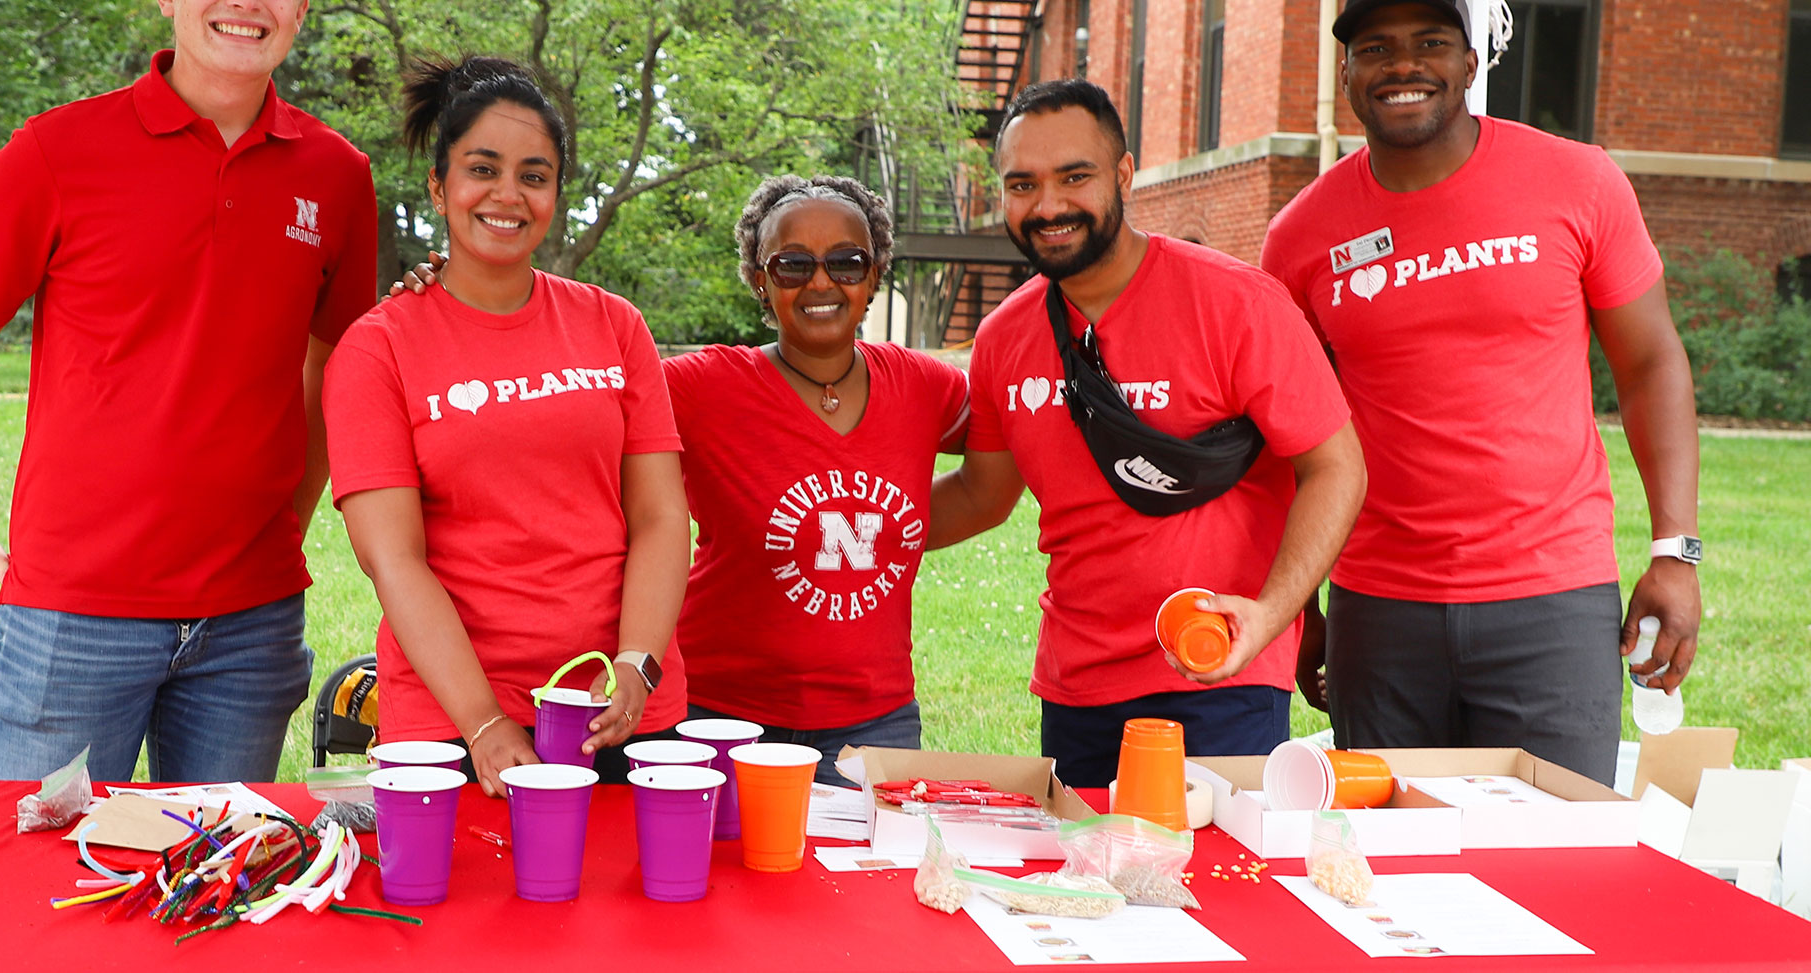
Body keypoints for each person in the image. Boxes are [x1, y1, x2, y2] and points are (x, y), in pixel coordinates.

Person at [0, 0, 377, 783]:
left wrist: (285, 516)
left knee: (210, 891)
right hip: (72, 612)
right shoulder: (54, 151)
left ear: (301, 6)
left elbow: (339, 364)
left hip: (250, 622)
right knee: (42, 891)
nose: (246, 1)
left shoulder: (337, 176)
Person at [1260, 0, 1701, 785]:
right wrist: (1302, 604)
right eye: (1375, 48)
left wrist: (1676, 551)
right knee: (1388, 863)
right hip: (1379, 607)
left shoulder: (1577, 181)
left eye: (1430, 41)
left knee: (1555, 860)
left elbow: (1650, 363)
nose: (1402, 65)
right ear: (1347, 75)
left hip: (1552, 598)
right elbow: (1291, 435)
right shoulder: (1300, 238)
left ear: (1471, 62)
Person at [930, 79, 1366, 788]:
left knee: (1216, 885)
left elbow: (1336, 467)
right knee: (1090, 880)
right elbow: (983, 493)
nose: (1047, 206)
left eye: (1075, 177)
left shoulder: (1237, 303)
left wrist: (1268, 615)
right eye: (1022, 184)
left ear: (1124, 175)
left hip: (1220, 667)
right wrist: (865, 527)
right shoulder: (1004, 336)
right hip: (1077, 685)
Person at [322, 54, 690, 798]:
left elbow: (659, 516)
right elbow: (394, 561)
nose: (507, 194)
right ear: (439, 184)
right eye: (481, 167)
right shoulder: (379, 346)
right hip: (451, 722)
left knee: (632, 910)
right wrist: (484, 722)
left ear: (556, 192)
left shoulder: (615, 325)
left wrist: (637, 663)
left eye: (534, 174)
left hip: (620, 708)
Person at [664, 175, 970, 786]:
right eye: (793, 265)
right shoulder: (699, 387)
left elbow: (1014, 443)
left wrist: (887, 534)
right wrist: (451, 294)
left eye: (847, 262)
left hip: (873, 721)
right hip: (719, 716)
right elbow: (574, 390)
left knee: (867, 880)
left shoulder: (924, 387)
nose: (822, 282)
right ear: (758, 277)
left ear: (876, 272)